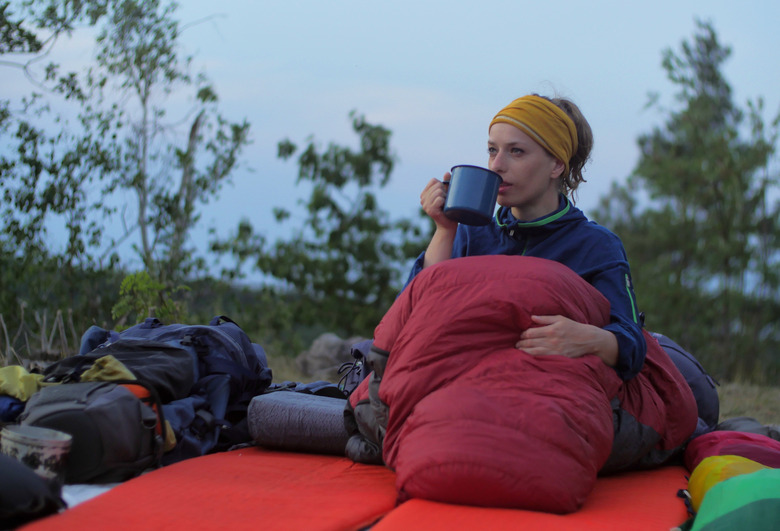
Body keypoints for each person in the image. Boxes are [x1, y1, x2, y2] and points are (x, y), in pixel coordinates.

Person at [405, 94, 646, 380]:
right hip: (463, 380)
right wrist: (444, 230)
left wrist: (589, 339)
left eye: (516, 151)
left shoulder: (595, 245)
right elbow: (412, 320)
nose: (496, 165)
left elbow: (632, 343)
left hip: (546, 392)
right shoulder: (471, 233)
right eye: (493, 150)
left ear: (556, 165)